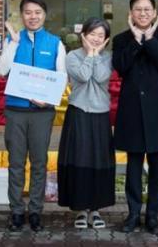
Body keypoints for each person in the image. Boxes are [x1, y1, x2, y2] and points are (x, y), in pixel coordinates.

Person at [0, 0, 66, 232]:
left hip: (42, 113)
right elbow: (1, 69)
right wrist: (14, 43)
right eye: (28, 12)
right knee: (16, 163)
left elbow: (62, 76)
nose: (33, 16)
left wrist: (49, 98)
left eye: (37, 12)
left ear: (44, 15)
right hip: (15, 111)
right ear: (22, 15)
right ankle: (16, 211)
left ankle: (35, 210)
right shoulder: (12, 40)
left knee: (39, 162)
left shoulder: (55, 43)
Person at [112, 0, 158, 235]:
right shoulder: (121, 39)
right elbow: (121, 67)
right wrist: (137, 40)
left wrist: (149, 39)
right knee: (133, 165)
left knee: (157, 166)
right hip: (132, 110)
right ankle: (133, 213)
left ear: (155, 13)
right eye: (138, 10)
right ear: (131, 13)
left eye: (147, 9)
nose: (142, 13)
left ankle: (153, 215)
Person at [58, 18, 115, 229]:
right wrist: (90, 54)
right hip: (78, 112)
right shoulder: (72, 56)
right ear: (84, 34)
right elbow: (82, 76)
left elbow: (100, 77)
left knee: (99, 160)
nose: (96, 39)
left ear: (106, 39)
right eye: (92, 34)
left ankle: (96, 209)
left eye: (101, 35)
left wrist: (96, 55)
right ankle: (81, 209)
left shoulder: (108, 57)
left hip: (100, 114)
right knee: (79, 159)